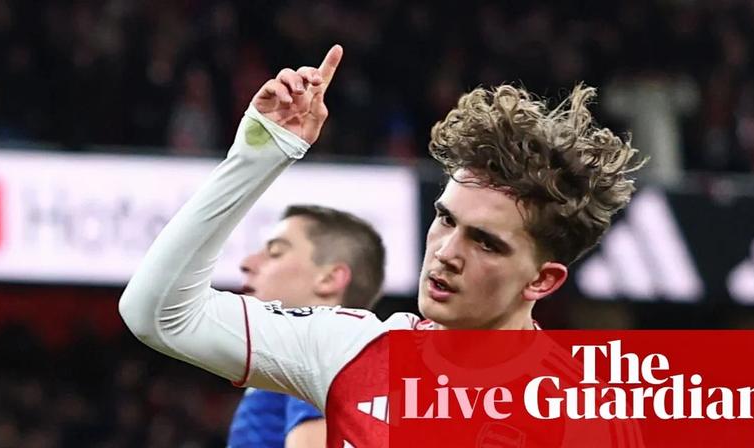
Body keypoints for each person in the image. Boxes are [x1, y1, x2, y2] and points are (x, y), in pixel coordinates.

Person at [119, 44, 645, 447]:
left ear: (543, 279)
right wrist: (258, 154)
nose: (446, 252)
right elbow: (159, 314)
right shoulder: (350, 350)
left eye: (485, 242)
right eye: (445, 219)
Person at [228, 204, 385, 448]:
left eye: (276, 252)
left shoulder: (324, 355)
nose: (247, 263)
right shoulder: (293, 359)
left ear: (329, 279)